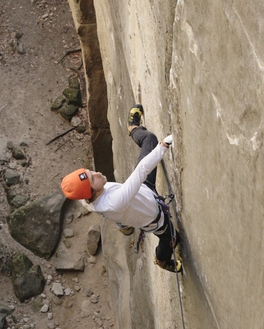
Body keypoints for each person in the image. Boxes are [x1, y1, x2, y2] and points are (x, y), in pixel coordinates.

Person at [61, 104, 181, 273]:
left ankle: (133, 129)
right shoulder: (114, 202)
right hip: (154, 218)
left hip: (144, 191)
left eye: (91, 172)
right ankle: (161, 261)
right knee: (172, 239)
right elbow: (141, 171)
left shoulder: (87, 199)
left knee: (149, 139)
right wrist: (164, 146)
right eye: (93, 178)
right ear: (92, 192)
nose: (97, 172)